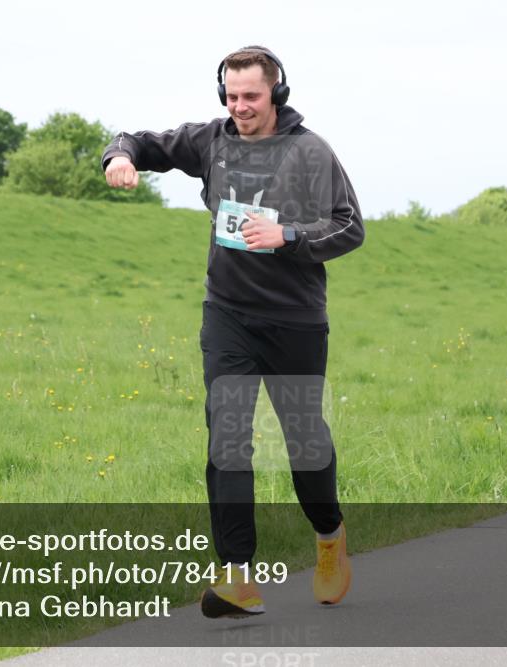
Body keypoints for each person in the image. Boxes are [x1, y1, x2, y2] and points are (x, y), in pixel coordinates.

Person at [102, 45, 364, 619]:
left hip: (294, 321)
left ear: (277, 94)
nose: (240, 106)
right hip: (228, 316)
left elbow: (349, 227)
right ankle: (237, 575)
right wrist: (118, 156)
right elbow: (140, 141)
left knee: (304, 441)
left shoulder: (311, 152)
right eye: (231, 94)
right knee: (227, 436)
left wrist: (289, 238)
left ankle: (328, 537)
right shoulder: (210, 141)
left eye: (251, 95)